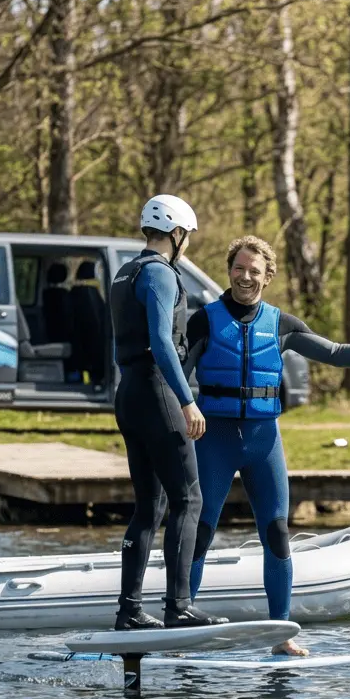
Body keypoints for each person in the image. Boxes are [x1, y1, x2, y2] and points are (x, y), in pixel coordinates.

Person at [184, 236, 350, 655]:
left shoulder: (282, 325)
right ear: (229, 271)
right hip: (214, 440)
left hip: (263, 441)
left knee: (277, 534)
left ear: (268, 277)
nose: (245, 277)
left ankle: (282, 635)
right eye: (239, 269)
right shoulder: (203, 320)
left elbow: (333, 353)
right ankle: (180, 624)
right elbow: (176, 372)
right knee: (201, 533)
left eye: (254, 271)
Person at [109, 194, 225, 630]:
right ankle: (179, 606)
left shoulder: (126, 271)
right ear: (176, 233)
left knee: (148, 508)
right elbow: (161, 341)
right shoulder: (160, 274)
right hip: (158, 394)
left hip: (130, 395)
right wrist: (187, 399)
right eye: (187, 236)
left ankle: (129, 611)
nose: (187, 244)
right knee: (188, 499)